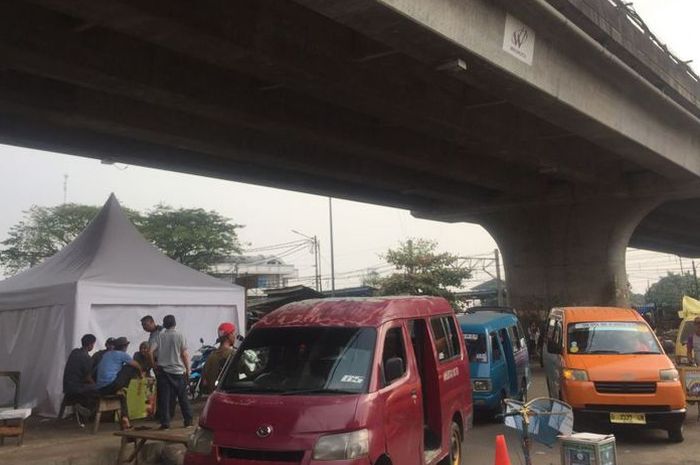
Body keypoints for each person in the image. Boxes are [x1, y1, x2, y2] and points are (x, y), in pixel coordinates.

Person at [150, 315, 193, 429]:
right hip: (178, 371)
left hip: (163, 371)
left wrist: (154, 365)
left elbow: (150, 351)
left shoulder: (160, 336)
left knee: (164, 398)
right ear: (174, 323)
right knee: (183, 397)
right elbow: (184, 354)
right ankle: (188, 421)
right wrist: (188, 369)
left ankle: (165, 423)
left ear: (164, 324)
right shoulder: (180, 335)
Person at [95, 337, 143, 430]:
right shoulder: (122, 354)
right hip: (111, 385)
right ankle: (124, 388)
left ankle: (125, 419)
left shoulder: (106, 354)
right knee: (130, 367)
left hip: (101, 388)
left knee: (122, 397)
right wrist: (141, 374)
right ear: (125, 346)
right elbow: (136, 365)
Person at [203, 322, 237, 393]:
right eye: (234, 333)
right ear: (229, 335)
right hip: (230, 395)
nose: (235, 336)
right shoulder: (233, 354)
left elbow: (205, 380)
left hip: (214, 395)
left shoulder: (211, 356)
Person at [63, 334, 98, 399]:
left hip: (66, 386)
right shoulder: (87, 358)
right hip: (76, 388)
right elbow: (87, 378)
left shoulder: (74, 351)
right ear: (90, 345)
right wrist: (96, 384)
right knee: (97, 388)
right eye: (93, 344)